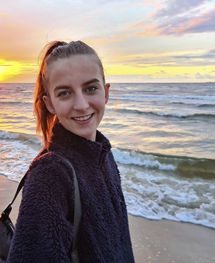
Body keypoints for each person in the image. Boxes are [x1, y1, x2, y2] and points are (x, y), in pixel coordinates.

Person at [7, 40, 134, 263]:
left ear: (105, 92)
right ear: (50, 104)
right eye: (65, 93)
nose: (82, 105)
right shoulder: (51, 174)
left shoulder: (103, 154)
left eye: (90, 88)